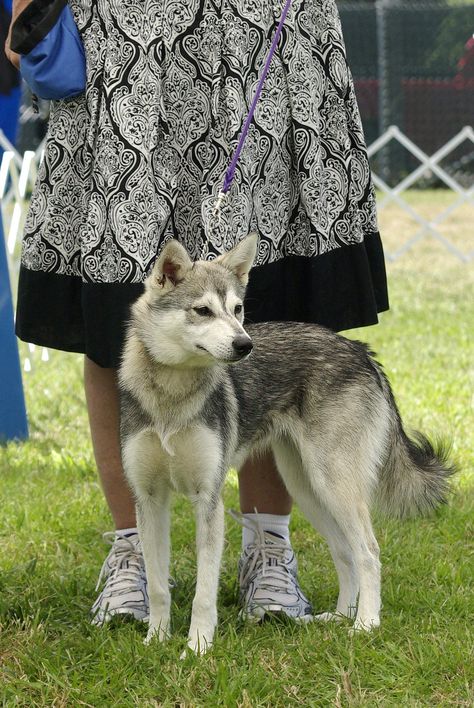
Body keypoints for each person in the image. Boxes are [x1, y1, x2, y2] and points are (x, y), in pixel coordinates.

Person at [6, 0, 388, 625]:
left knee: (273, 306)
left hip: (263, 30)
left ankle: (268, 549)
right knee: (116, 314)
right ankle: (133, 551)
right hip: (130, 40)